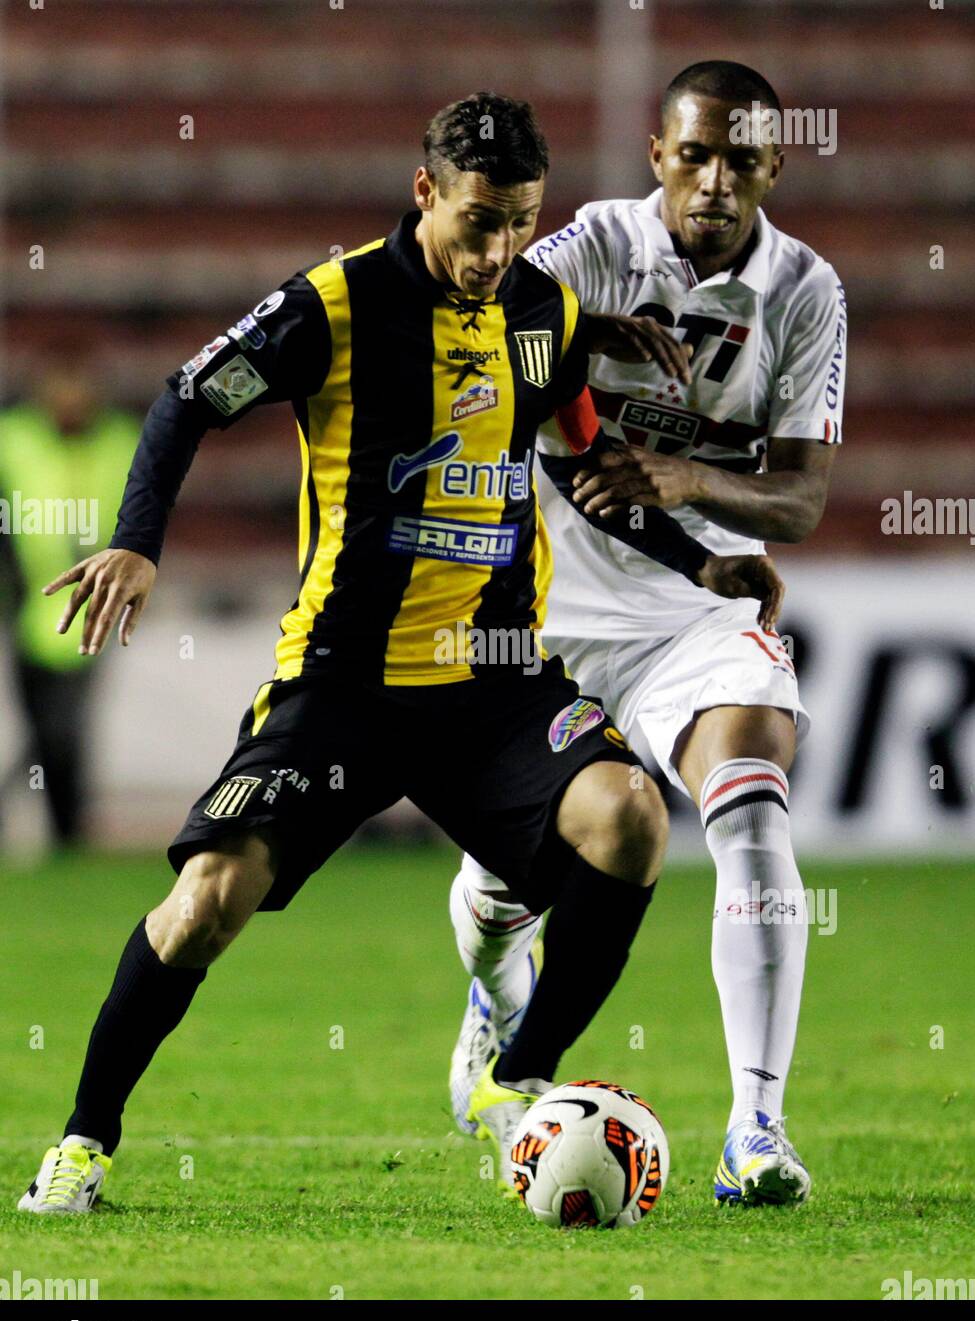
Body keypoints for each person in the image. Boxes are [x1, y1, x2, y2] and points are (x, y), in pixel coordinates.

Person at [17, 92, 781, 1213]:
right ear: (425, 192)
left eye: (522, 220)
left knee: (628, 817)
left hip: (495, 682)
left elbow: (583, 462)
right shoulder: (332, 305)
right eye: (481, 220)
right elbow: (188, 398)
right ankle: (82, 1143)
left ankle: (518, 1076)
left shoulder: (540, 311)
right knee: (210, 896)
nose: (500, 248)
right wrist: (136, 542)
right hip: (344, 683)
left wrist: (696, 560)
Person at [447, 63, 847, 1206]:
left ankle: (756, 1127)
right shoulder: (594, 245)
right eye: (697, 154)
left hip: (695, 612)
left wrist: (682, 474)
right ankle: (495, 992)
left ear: (776, 165)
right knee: (507, 888)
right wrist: (575, 335)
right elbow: (485, 315)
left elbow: (802, 498)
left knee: (754, 806)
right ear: (658, 155)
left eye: (745, 159)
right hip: (542, 610)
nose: (718, 181)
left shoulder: (806, 291)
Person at [0, 359, 139, 847]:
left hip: (93, 609)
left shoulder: (120, 440)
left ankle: (68, 830)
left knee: (61, 731)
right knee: (46, 729)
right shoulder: (13, 438)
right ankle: (67, 831)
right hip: (26, 610)